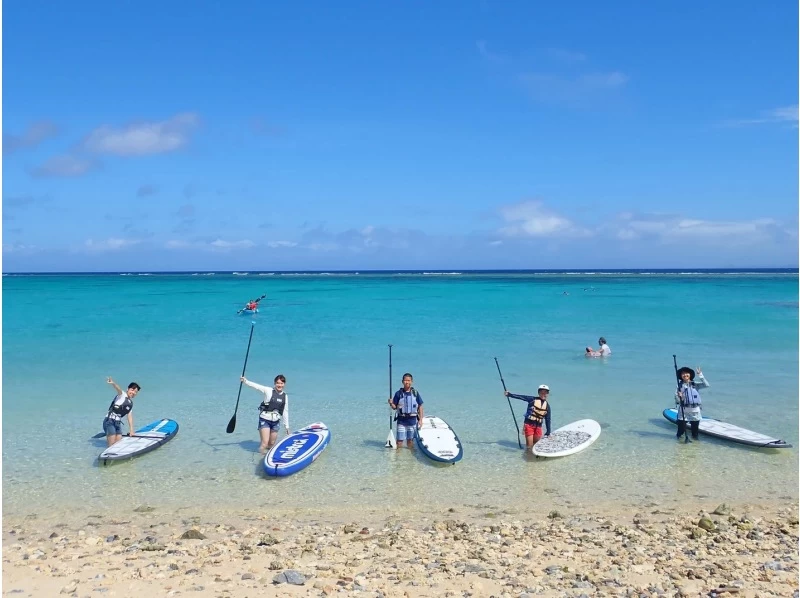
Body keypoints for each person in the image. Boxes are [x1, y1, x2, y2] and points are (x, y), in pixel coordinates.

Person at [241, 374, 290, 453]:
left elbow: (285, 411)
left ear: (284, 384)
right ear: (274, 383)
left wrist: (287, 427)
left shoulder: (285, 396)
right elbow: (256, 386)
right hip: (265, 420)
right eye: (277, 383)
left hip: (276, 422)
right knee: (264, 443)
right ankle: (260, 459)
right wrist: (245, 381)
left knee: (271, 444)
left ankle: (268, 457)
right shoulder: (268, 390)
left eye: (281, 383)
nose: (279, 385)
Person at [504, 384, 552, 452]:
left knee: (535, 445)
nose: (544, 394)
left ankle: (534, 458)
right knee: (529, 446)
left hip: (538, 426)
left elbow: (548, 419)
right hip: (529, 425)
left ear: (548, 394)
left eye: (545, 393)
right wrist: (510, 394)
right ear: (539, 393)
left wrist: (548, 432)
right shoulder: (532, 399)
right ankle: (528, 457)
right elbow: (521, 397)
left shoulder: (547, 406)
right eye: (542, 392)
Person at [388, 373, 424, 449]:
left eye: (408, 380)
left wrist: (421, 420)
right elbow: (395, 407)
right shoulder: (398, 394)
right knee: (399, 441)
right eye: (405, 380)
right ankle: (398, 458)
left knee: (410, 441)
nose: (407, 382)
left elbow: (420, 406)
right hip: (401, 421)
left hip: (412, 420)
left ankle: (410, 458)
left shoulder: (415, 393)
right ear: (402, 381)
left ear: (411, 382)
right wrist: (391, 403)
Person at [102, 377, 141, 447]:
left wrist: (132, 430)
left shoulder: (130, 403)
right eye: (132, 390)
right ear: (127, 389)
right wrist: (113, 383)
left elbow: (129, 416)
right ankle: (108, 456)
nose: (133, 393)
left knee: (118, 443)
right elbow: (118, 389)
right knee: (111, 445)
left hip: (117, 423)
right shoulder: (122, 395)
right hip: (109, 421)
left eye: (135, 392)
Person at [675, 366, 709, 440]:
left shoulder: (695, 384)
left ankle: (695, 447)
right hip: (683, 411)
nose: (685, 375)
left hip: (695, 410)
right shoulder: (679, 386)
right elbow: (677, 400)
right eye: (683, 373)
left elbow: (706, 385)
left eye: (687, 373)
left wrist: (700, 375)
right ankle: (678, 446)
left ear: (690, 374)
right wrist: (680, 396)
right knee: (680, 431)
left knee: (695, 432)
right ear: (681, 376)